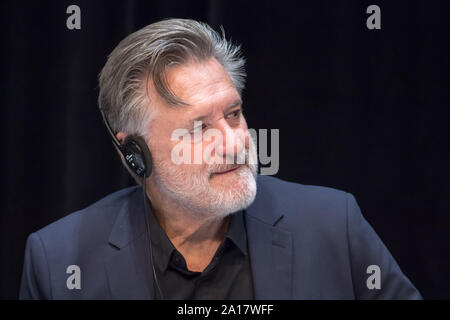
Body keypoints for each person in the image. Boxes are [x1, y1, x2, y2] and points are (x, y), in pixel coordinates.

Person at [19, 18, 422, 300]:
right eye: (198, 129)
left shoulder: (334, 224)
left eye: (233, 114)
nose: (235, 143)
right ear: (134, 153)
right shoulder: (59, 260)